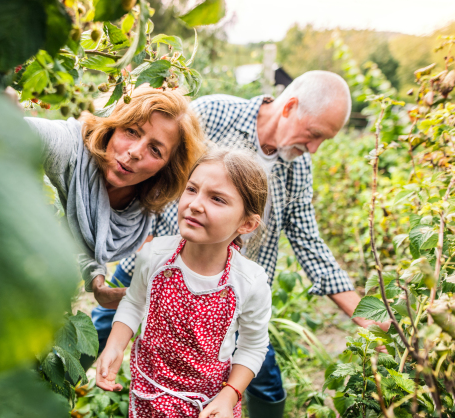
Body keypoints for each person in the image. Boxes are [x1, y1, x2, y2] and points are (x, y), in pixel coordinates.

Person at [94, 71, 390, 417]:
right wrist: (142, 233)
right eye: (314, 135)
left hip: (230, 295)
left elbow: (308, 241)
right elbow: (156, 164)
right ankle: (59, 387)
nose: (313, 148)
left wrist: (362, 313)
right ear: (290, 107)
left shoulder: (298, 168)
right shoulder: (215, 113)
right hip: (159, 263)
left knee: (259, 372)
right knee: (101, 329)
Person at [96, 148, 272, 418]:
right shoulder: (155, 255)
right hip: (149, 393)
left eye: (217, 199)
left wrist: (228, 397)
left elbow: (252, 346)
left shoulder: (249, 282)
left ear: (247, 223)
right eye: (192, 189)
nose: (196, 204)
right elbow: (134, 302)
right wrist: (115, 346)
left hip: (208, 405)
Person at [25, 88, 204, 294]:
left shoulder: (140, 204)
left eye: (155, 150)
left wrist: (96, 281)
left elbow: (87, 224)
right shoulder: (70, 148)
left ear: (167, 167)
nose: (136, 152)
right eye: (131, 131)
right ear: (112, 126)